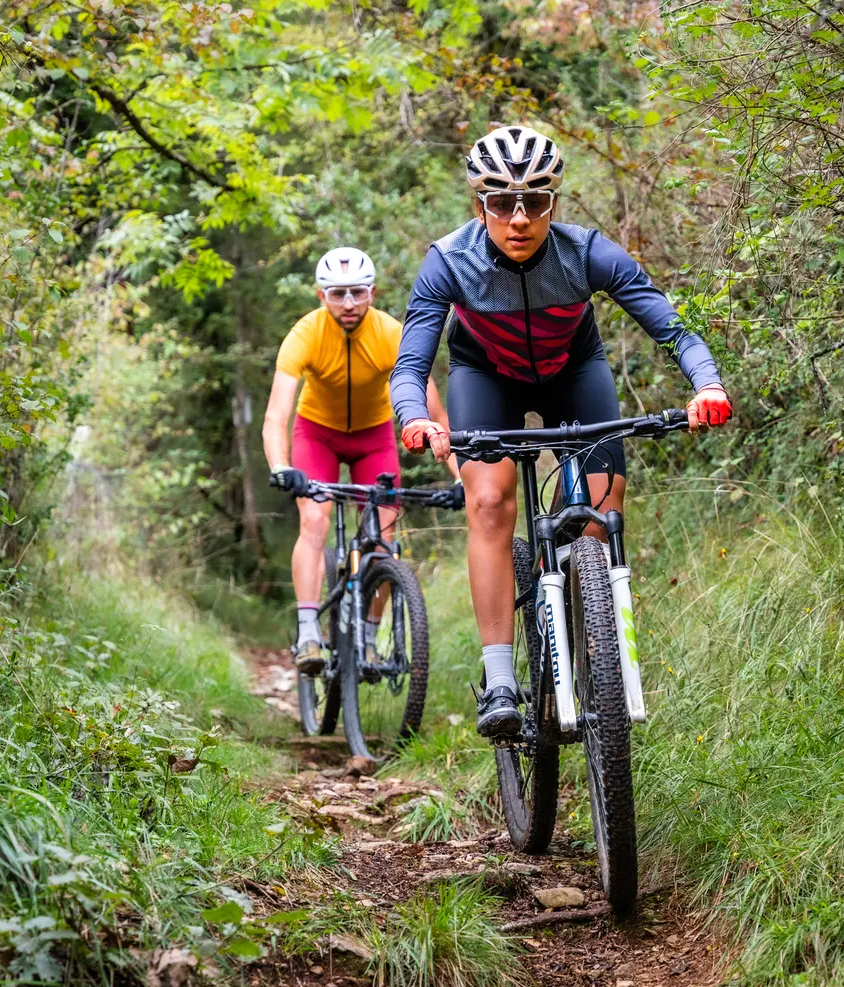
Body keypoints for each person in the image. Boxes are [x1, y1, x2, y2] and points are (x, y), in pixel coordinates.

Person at [390, 125, 731, 738]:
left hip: (574, 372)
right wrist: (414, 418)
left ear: (554, 204)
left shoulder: (588, 253)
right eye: (501, 203)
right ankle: (499, 679)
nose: (518, 218)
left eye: (536, 202)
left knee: (604, 509)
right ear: (479, 206)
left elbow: (673, 330)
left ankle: (594, 637)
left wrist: (706, 384)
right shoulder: (447, 262)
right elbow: (411, 365)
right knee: (490, 500)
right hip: (485, 378)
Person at [262, 246, 452, 674]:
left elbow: (434, 416)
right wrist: (279, 467)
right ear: (320, 296)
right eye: (338, 294)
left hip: (374, 437)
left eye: (358, 293)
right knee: (314, 520)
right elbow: (276, 415)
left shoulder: (390, 333)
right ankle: (309, 632)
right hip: (317, 435)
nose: (348, 304)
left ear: (373, 292)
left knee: (384, 539)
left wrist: (461, 478)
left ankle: (367, 638)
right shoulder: (305, 335)